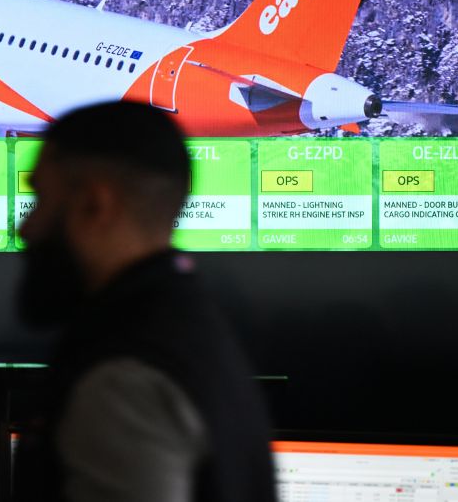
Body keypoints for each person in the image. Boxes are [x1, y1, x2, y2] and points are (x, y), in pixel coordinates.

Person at [14, 101, 277, 502]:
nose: (25, 229)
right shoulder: (191, 327)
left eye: (40, 200)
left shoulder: (122, 381)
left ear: (94, 205)